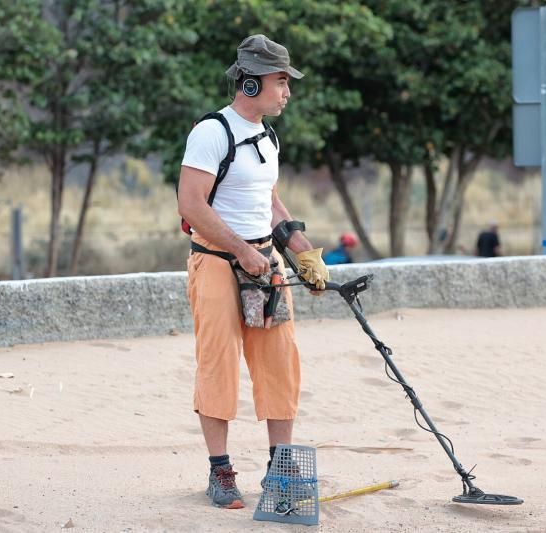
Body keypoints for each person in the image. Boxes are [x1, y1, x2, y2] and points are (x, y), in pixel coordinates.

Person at [177, 34, 329, 510]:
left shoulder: (267, 135)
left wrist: (302, 249)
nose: (286, 92)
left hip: (265, 262)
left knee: (279, 363)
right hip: (219, 263)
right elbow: (191, 205)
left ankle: (280, 470)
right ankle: (220, 472)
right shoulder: (212, 132)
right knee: (218, 364)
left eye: (287, 82)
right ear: (248, 83)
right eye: (280, 81)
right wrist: (241, 251)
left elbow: (268, 201)